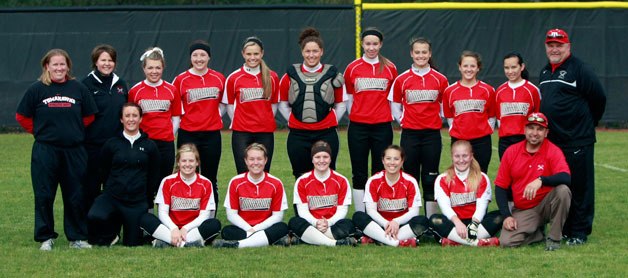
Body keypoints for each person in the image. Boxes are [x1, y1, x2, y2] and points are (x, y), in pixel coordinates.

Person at [16, 48, 97, 251]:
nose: (59, 68)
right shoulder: (37, 89)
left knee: (75, 194)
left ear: (68, 66)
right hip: (46, 150)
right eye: (55, 64)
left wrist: (71, 131)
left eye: (63, 64)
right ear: (47, 66)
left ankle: (76, 237)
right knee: (44, 194)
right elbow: (22, 117)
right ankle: (46, 237)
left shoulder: (78, 88)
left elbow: (89, 116)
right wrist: (42, 133)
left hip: (74, 151)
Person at [539, 28, 606, 245]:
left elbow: (599, 98)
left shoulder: (580, 69)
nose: (555, 49)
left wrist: (586, 124)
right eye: (551, 45)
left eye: (559, 45)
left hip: (577, 140)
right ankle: (566, 228)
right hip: (554, 143)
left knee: (580, 186)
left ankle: (579, 232)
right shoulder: (544, 72)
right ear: (546, 47)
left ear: (568, 47)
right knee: (562, 186)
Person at [389, 37, 448, 218]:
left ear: (429, 54)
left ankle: (431, 220)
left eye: (424, 52)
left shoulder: (440, 79)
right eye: (417, 52)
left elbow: (444, 107)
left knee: (430, 178)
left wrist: (435, 119)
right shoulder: (402, 79)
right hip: (410, 135)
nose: (420, 56)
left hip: (431, 135)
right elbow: (395, 105)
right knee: (411, 178)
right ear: (411, 54)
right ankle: (412, 219)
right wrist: (404, 121)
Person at [495, 112, 572, 251]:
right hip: (524, 209)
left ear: (546, 132)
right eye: (531, 128)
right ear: (524, 130)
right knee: (506, 242)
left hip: (546, 205)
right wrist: (506, 216)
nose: (534, 133)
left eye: (540, 129)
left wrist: (541, 180)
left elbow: (566, 177)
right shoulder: (512, 151)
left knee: (563, 190)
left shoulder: (553, 150)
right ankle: (537, 233)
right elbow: (500, 186)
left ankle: (554, 239)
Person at [278, 27, 347, 180]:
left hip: (326, 133)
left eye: (315, 51)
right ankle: (302, 206)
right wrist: (293, 118)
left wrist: (330, 119)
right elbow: (282, 103)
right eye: (307, 51)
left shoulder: (332, 74)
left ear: (321, 51)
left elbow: (341, 103)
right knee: (301, 177)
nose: (311, 55)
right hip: (298, 134)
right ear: (302, 52)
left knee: (327, 176)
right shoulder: (290, 75)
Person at [87, 103, 160, 247]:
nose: (131, 119)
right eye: (127, 116)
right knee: (95, 216)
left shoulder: (150, 146)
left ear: (140, 119)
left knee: (132, 243)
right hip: (113, 196)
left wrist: (146, 197)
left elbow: (154, 174)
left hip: (136, 201)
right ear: (121, 119)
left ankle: (127, 226)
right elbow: (103, 170)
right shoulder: (111, 144)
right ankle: (111, 232)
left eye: (135, 116)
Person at [344, 27, 398, 212]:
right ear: (362, 44)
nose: (371, 47)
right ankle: (361, 216)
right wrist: (359, 115)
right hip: (358, 127)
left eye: (375, 44)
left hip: (382, 127)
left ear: (381, 44)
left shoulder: (390, 68)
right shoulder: (352, 68)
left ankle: (377, 213)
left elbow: (393, 98)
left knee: (379, 171)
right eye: (368, 44)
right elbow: (350, 98)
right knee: (358, 172)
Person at [172, 40, 226, 217]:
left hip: (212, 135)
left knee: (210, 179)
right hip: (188, 135)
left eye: (203, 55)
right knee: (186, 177)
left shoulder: (219, 78)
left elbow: (223, 104)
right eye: (195, 55)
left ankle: (210, 220)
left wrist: (213, 115)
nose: (199, 58)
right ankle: (186, 216)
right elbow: (175, 110)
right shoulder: (180, 80)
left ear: (209, 57)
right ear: (190, 57)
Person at [128, 47, 183, 207]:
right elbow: (131, 118)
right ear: (144, 68)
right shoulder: (135, 91)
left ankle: (163, 221)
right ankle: (147, 221)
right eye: (150, 67)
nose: (154, 71)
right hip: (144, 144)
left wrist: (168, 135)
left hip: (165, 144)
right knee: (145, 182)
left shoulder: (171, 90)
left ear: (163, 67)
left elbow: (176, 117)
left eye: (158, 67)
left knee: (164, 183)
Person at [140, 143, 222, 248]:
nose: (187, 164)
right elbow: (162, 212)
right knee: (145, 218)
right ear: (178, 162)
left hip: (192, 229)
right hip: (170, 228)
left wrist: (185, 229)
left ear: (197, 163)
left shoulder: (206, 183)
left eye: (191, 161)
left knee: (214, 224)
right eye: (184, 161)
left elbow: (204, 215)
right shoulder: (167, 181)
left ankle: (168, 241)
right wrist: (174, 229)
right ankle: (185, 244)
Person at [213, 143, 289, 248]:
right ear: (246, 161)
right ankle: (270, 240)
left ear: (265, 160)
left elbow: (278, 216)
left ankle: (238, 245)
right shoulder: (235, 182)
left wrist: (256, 229)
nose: (255, 163)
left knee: (282, 227)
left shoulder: (276, 183)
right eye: (251, 159)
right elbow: (231, 215)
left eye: (259, 159)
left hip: (265, 227)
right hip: (244, 228)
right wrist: (249, 229)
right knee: (227, 231)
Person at [222, 36, 280, 174]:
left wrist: (263, 119)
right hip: (242, 133)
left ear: (262, 53)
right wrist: (242, 121)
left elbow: (273, 105)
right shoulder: (234, 78)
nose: (252, 57)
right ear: (243, 54)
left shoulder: (272, 77)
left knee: (264, 173)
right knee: (243, 173)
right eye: (248, 54)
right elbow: (230, 106)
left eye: (256, 53)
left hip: (265, 132)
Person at [81, 44, 129, 212]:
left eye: (110, 60)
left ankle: (112, 230)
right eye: (103, 60)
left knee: (114, 188)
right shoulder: (85, 85)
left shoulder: (121, 84)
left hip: (116, 147)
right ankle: (89, 228)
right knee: (90, 188)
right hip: (92, 148)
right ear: (95, 61)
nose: (107, 63)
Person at [352, 145, 429, 247]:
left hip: (402, 225)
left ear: (402, 161)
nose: (392, 163)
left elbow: (414, 212)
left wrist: (396, 222)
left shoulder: (410, 181)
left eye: (396, 159)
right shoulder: (373, 181)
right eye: (388, 158)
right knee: (358, 216)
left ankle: (378, 239)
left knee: (422, 221)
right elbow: (371, 210)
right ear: (383, 160)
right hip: (380, 224)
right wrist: (386, 223)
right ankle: (396, 242)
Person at [429, 140, 502, 247]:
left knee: (500, 216)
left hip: (476, 223)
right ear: (452, 157)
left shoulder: (481, 177)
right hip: (454, 223)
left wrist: (474, 224)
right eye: (457, 156)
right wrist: (458, 223)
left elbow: (482, 206)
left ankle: (455, 240)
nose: (461, 160)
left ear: (471, 156)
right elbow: (445, 207)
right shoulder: (442, 179)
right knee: (435, 220)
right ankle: (477, 242)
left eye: (465, 156)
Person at [288, 141, 357, 246]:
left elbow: (342, 210)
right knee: (294, 222)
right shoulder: (302, 181)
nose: (321, 160)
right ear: (312, 159)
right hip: (311, 223)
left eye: (325, 157)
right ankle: (335, 243)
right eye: (317, 157)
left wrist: (328, 223)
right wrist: (316, 222)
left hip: (332, 223)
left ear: (330, 159)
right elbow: (302, 211)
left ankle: (307, 239)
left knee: (349, 224)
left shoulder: (341, 180)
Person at [442, 50, 496, 173]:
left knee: (481, 174)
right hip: (459, 140)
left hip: (482, 141)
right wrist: (456, 130)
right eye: (465, 66)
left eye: (473, 66)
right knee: (461, 174)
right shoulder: (450, 91)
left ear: (478, 68)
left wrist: (484, 130)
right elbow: (449, 116)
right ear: (460, 67)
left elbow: (492, 115)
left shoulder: (488, 90)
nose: (469, 69)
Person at [495, 52, 540, 159]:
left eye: (514, 67)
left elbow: (538, 118)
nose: (510, 71)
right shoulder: (499, 91)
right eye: (507, 68)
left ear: (522, 67)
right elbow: (499, 119)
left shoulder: (532, 90)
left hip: (525, 140)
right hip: (505, 142)